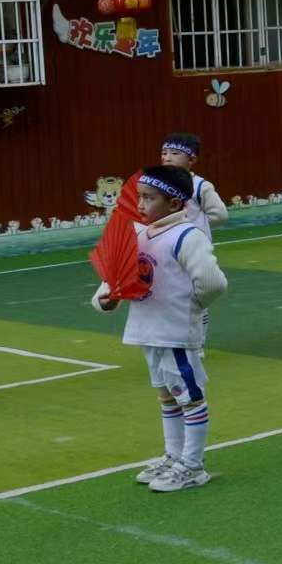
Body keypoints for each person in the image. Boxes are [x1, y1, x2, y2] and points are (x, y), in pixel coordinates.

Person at [93, 166, 228, 491]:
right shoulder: (138, 233)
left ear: (174, 203)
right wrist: (105, 300)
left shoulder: (187, 235)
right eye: (140, 196)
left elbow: (212, 283)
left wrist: (188, 308)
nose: (141, 204)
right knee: (166, 396)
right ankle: (173, 456)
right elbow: (113, 278)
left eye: (150, 198)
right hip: (147, 329)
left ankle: (193, 465)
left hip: (176, 332)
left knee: (189, 397)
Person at [157, 134, 230, 232]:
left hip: (195, 243)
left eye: (174, 153)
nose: (167, 158)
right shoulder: (156, 184)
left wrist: (194, 228)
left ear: (191, 159)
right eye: (164, 153)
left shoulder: (200, 186)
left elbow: (220, 215)